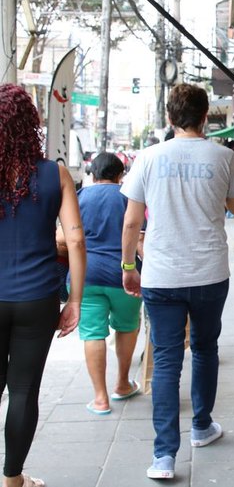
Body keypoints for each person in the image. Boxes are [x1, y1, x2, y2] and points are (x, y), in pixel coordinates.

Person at [120, 83, 234, 480]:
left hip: (162, 274)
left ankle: (163, 457)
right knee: (206, 348)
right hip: (210, 272)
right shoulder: (223, 156)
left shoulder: (149, 157)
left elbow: (131, 220)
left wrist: (127, 266)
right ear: (206, 116)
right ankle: (202, 425)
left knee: (167, 360)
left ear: (170, 117)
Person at [0, 83, 86, 487]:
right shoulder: (55, 174)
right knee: (23, 391)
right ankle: (12, 479)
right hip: (37, 298)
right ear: (30, 125)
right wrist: (74, 299)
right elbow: (75, 240)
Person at [57, 153, 142, 416]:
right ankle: (122, 384)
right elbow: (139, 238)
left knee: (93, 333)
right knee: (127, 326)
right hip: (124, 275)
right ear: (120, 175)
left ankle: (100, 398)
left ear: (93, 174)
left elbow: (62, 239)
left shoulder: (80, 196)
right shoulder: (129, 197)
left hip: (86, 276)